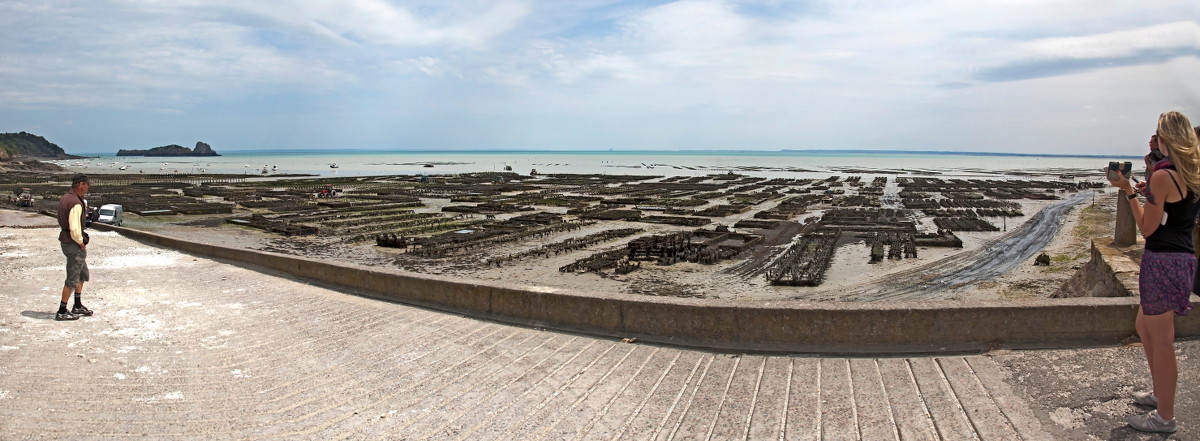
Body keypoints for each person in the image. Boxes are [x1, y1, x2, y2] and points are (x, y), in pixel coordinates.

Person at [1109, 111, 1200, 433]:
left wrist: (1130, 191)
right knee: (1144, 327)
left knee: (1161, 339)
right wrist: (1149, 192)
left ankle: (1165, 417)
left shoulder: (1164, 177)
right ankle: (1160, 394)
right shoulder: (1187, 173)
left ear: (1165, 139)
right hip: (1179, 259)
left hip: (1164, 260)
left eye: (1157, 135)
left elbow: (1147, 229)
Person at [55, 174, 94, 321]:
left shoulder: (67, 197)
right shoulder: (75, 203)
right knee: (72, 277)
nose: (88, 188)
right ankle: (62, 310)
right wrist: (80, 242)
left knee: (81, 274)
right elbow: (75, 228)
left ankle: (77, 305)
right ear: (81, 184)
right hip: (73, 243)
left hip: (67, 240)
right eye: (87, 185)